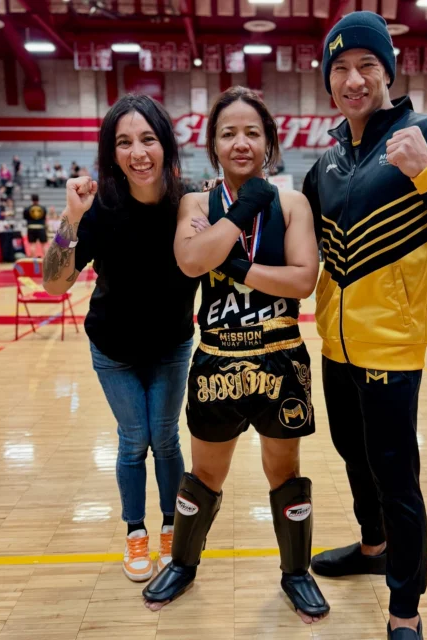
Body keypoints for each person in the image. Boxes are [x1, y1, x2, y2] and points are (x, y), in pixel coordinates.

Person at [302, 12, 427, 639]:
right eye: (340, 69)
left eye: (365, 65)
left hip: (392, 348)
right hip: (335, 344)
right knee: (350, 454)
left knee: (394, 473)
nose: (353, 80)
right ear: (329, 81)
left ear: (387, 70)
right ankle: (373, 546)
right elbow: (304, 245)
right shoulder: (327, 163)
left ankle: (404, 607)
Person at [141, 86, 329, 624]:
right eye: (229, 133)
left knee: (285, 472)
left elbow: (302, 281)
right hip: (217, 360)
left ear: (269, 141)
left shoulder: (292, 203)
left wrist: (239, 267)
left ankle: (296, 572)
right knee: (204, 475)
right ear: (214, 145)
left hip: (280, 359)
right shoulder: (196, 203)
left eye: (252, 132)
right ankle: (183, 563)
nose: (241, 142)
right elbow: (191, 262)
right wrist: (241, 212)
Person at [42, 95, 199, 583]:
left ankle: (173, 526)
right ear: (111, 153)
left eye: (148, 139)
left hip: (173, 344)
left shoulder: (188, 201)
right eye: (124, 142)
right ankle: (136, 530)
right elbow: (54, 283)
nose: (138, 152)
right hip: (113, 348)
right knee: (135, 441)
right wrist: (71, 215)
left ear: (166, 145)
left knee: (167, 439)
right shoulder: (101, 209)